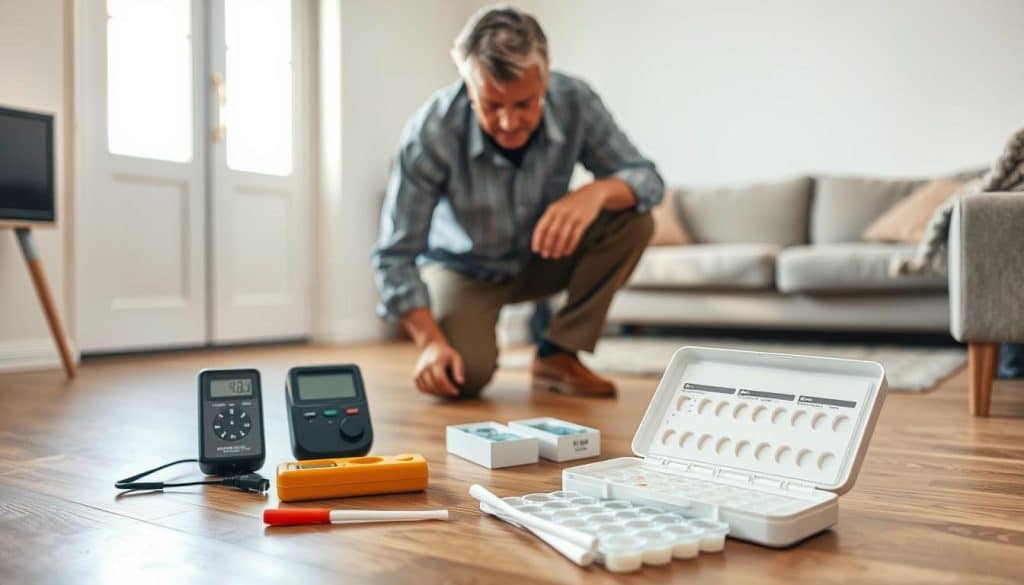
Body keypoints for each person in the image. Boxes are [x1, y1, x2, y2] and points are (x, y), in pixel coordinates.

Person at [372, 6, 663, 399]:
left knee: (634, 219)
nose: (509, 123)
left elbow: (646, 178)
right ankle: (455, 347)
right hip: (464, 269)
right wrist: (430, 343)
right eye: (492, 105)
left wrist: (596, 192)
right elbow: (394, 256)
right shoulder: (432, 130)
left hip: (544, 254)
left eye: (525, 103)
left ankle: (557, 354)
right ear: (468, 85)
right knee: (462, 378)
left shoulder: (575, 100)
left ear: (545, 76)